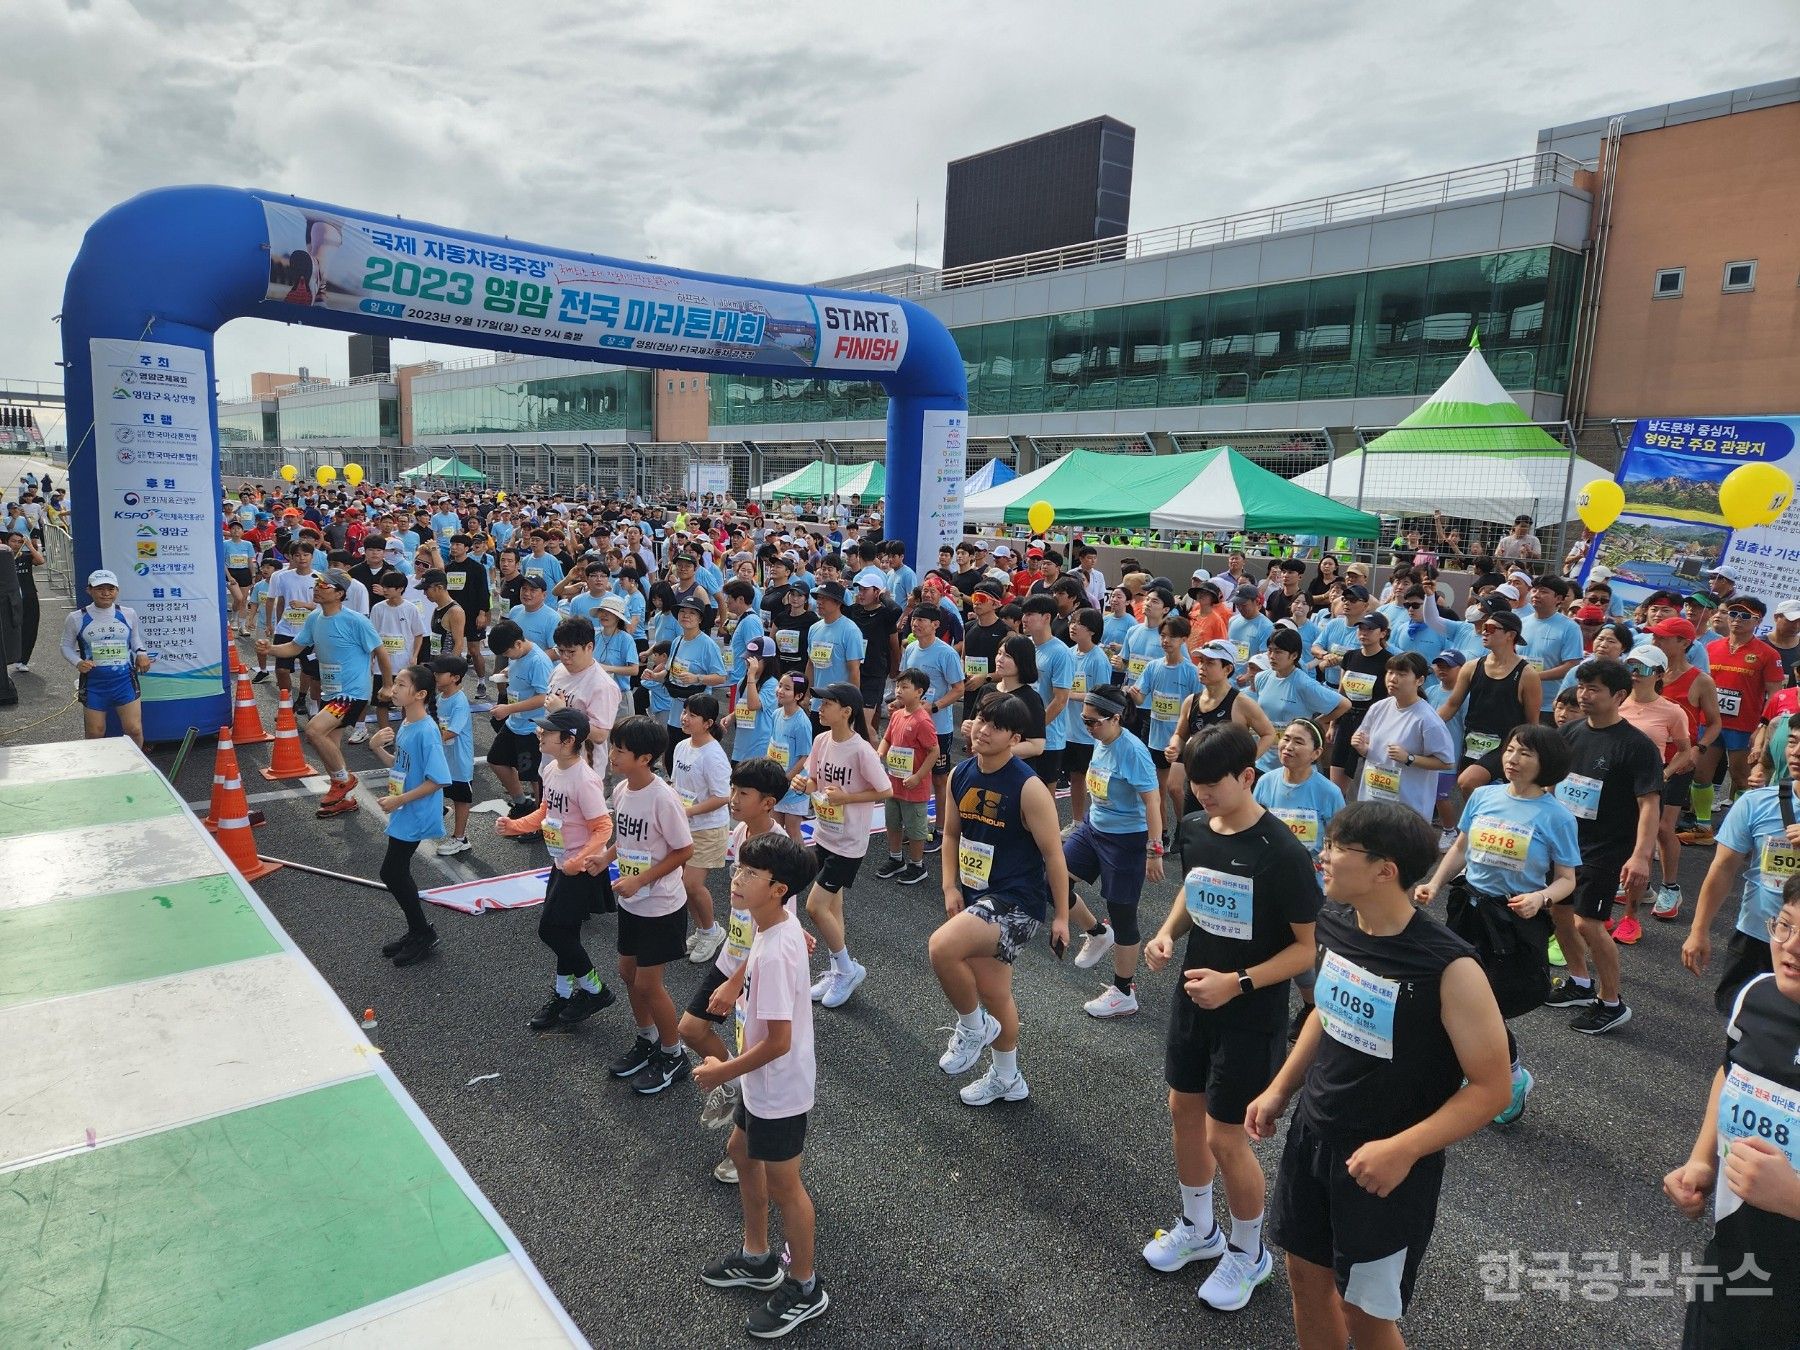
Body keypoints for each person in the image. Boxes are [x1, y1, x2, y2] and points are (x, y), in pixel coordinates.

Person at [1247, 802, 1510, 1348]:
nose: (1323, 857)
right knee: (1304, 1280)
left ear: (1384, 870)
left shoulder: (1450, 968)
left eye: (1338, 849)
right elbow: (1326, 1011)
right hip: (1313, 1138)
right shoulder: (1337, 923)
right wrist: (1280, 1090)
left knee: (1364, 1313)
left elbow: (1491, 1088)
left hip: (1385, 1169)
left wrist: (1403, 1149)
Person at [1142, 723, 1322, 1312]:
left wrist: (1237, 983)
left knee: (1226, 1137)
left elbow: (1305, 950)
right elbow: (1194, 892)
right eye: (1194, 785)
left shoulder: (1283, 854)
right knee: (1182, 1113)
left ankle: (1249, 1254)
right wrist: (1167, 934)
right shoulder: (1195, 828)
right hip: (1195, 997)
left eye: (1213, 786)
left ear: (1248, 777)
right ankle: (1199, 1229)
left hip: (1250, 1011)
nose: (1200, 797)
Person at [695, 831, 831, 1337]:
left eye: (751, 873)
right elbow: (771, 942)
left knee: (785, 1187)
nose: (737, 877)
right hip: (763, 1083)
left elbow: (777, 1042)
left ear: (779, 888)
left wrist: (718, 1074)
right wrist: (733, 981)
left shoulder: (777, 950)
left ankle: (804, 1286)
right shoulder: (776, 924)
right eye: (740, 867)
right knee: (742, 1151)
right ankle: (758, 1257)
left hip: (777, 1085)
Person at [1416, 723, 1580, 1126]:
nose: (1512, 759)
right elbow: (1461, 846)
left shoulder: (1556, 816)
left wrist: (1540, 898)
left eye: (1525, 753)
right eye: (1510, 749)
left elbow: (1567, 880)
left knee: (1487, 1006)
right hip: (1468, 909)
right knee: (1452, 998)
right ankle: (1468, 1074)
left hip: (1512, 919)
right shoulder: (1484, 796)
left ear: (1546, 763)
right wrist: (1434, 883)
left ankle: (1511, 1078)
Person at [1662, 878, 1800, 1346]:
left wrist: (1794, 1198)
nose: (1791, 947)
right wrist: (1703, 1159)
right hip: (1736, 1259)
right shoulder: (1758, 995)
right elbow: (1731, 1070)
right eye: (1785, 926)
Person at [931, 691, 1072, 1105]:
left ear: (1015, 737)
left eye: (995, 726)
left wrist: (1062, 916)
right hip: (977, 894)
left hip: (1017, 903)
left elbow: (1053, 856)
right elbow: (951, 833)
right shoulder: (961, 773)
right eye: (980, 720)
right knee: (995, 994)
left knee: (941, 947)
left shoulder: (1028, 788)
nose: (982, 730)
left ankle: (972, 1027)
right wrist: (950, 885)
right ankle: (1008, 1078)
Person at [683, 757, 792, 1186]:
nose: (733, 799)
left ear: (768, 802)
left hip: (758, 970)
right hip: (733, 953)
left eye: (742, 794)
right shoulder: (741, 833)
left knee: (762, 1060)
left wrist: (735, 980)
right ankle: (730, 1083)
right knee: (692, 1030)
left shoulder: (781, 854)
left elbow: (781, 928)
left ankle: (746, 1152)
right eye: (733, 790)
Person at [1544, 658, 1663, 1035]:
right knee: (1560, 913)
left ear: (1619, 695)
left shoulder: (1636, 745)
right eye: (1582, 687)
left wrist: (1641, 856)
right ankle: (1580, 983)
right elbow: (1552, 781)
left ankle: (1611, 1002)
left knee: (1589, 923)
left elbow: (1650, 804)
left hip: (1606, 847)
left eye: (1594, 689)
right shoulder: (1572, 732)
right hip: (1565, 841)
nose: (1584, 694)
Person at [497, 707, 618, 1030]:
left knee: (550, 930)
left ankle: (595, 990)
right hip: (559, 863)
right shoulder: (550, 770)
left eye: (548, 732)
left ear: (568, 740)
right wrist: (515, 825)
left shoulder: (585, 780)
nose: (540, 734)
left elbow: (603, 828)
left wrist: (581, 860)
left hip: (579, 870)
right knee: (565, 933)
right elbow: (545, 813)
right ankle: (564, 995)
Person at [599, 715, 697, 1096]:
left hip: (661, 905)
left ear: (646, 758)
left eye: (621, 751)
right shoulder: (623, 790)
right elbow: (621, 836)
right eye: (614, 747)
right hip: (633, 902)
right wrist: (605, 858)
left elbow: (684, 849)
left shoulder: (662, 797)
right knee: (627, 972)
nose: (612, 756)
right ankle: (647, 1039)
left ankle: (674, 1054)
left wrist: (642, 878)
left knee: (648, 982)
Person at [1063, 684, 1165, 1019]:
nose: (1088, 727)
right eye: (1084, 720)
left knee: (1123, 914)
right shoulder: (1102, 740)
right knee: (1050, 878)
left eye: (1093, 722)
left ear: (1115, 718)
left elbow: (1153, 802)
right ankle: (1096, 932)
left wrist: (1154, 850)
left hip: (1127, 840)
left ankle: (1123, 992)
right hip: (1094, 829)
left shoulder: (1133, 752)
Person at [1682, 731, 1800, 1015]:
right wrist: (1698, 931)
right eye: (1793, 741)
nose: (1796, 752)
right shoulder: (1755, 802)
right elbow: (1722, 869)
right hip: (1756, 938)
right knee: (1740, 1026)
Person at [258, 568, 393, 815]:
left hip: (351, 693)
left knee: (313, 730)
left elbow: (381, 652)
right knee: (329, 747)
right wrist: (271, 650)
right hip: (331, 692)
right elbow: (295, 646)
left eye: (324, 585)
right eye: (317, 584)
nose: (317, 588)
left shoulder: (356, 621)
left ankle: (344, 780)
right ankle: (344, 798)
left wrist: (386, 685)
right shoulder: (315, 618)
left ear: (340, 594)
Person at [791, 684, 890, 1009]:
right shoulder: (821, 741)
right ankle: (838, 970)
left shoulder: (861, 750)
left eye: (828, 703)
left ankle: (847, 969)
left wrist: (848, 798)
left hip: (849, 842)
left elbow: (885, 790)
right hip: (824, 834)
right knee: (833, 908)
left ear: (846, 711)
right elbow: (815, 782)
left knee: (815, 907)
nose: (820, 707)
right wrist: (805, 785)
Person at [1254, 718, 1345, 1038]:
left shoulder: (1328, 792)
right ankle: (1274, 1008)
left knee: (1304, 953)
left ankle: (1314, 1009)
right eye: (1286, 739)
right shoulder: (1266, 782)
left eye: (1298, 742)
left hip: (1310, 888)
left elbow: (1338, 841)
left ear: (1317, 752)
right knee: (1267, 947)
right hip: (1268, 882)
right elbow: (1257, 829)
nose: (1288, 746)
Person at [365, 665, 450, 967]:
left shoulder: (426, 731)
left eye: (401, 685)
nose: (394, 689)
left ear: (420, 694)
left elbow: (438, 779)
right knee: (394, 872)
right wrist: (377, 749)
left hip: (416, 810)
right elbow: (403, 767)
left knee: (392, 872)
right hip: (405, 808)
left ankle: (422, 933)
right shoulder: (406, 725)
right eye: (396, 684)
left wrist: (399, 799)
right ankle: (418, 931)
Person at [1349, 652, 1457, 824]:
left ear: (1419, 680)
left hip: (1407, 810)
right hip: (1372, 800)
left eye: (1401, 674)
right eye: (1390, 672)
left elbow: (1446, 762)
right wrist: (1362, 748)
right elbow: (1370, 745)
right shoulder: (1378, 708)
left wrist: (1409, 758)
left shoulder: (1427, 719)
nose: (1393, 678)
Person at [60, 569, 154, 747]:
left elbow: (135, 638)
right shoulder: (76, 618)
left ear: (117, 590)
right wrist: (78, 662)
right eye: (100, 589)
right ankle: (98, 771)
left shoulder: (128, 613)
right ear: (89, 590)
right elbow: (65, 646)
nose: (106, 593)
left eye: (111, 589)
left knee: (133, 729)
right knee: (95, 733)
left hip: (124, 680)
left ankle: (137, 769)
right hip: (94, 683)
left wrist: (141, 653)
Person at [899, 601, 966, 846]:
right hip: (909, 724)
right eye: (914, 619)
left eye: (922, 620)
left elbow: (958, 689)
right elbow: (903, 682)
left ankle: (941, 829)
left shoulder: (946, 653)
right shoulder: (910, 648)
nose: (915, 624)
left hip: (938, 727)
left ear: (935, 625)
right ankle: (915, 827)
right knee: (911, 775)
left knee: (939, 779)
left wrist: (934, 706)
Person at [674, 693, 734, 965]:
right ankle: (703, 929)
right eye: (685, 711)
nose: (685, 718)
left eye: (692, 715)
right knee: (685, 886)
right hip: (685, 827)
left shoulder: (713, 755)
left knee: (691, 884)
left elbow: (723, 797)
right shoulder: (681, 746)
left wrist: (687, 811)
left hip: (708, 829)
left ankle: (712, 931)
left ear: (708, 722)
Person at [874, 669, 938, 885]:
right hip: (893, 782)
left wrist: (919, 776)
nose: (898, 691)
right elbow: (887, 739)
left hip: (913, 786)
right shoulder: (897, 715)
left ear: (919, 692)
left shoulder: (923, 720)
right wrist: (880, 752)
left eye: (904, 687)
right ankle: (896, 858)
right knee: (892, 822)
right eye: (897, 686)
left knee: (915, 827)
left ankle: (917, 865)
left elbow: (934, 751)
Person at [484, 618, 554, 814]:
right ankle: (522, 803)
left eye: (507, 653)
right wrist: (508, 671)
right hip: (516, 723)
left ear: (518, 643)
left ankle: (541, 820)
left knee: (535, 777)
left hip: (533, 727)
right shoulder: (518, 654)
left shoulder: (538, 661)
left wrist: (508, 709)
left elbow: (544, 697)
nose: (507, 656)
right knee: (496, 759)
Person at [430, 655, 476, 853]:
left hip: (459, 761)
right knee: (435, 787)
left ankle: (460, 838)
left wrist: (427, 743)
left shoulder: (459, 702)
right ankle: (440, 810)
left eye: (440, 673)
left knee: (461, 799)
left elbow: (453, 731)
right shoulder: (441, 698)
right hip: (445, 758)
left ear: (455, 677)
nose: (435, 676)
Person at [769, 674, 817, 843]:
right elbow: (773, 744)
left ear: (798, 696)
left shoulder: (801, 722)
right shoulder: (776, 714)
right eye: (780, 686)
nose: (780, 691)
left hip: (794, 785)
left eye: (787, 688)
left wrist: (787, 778)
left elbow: (805, 756)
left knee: (792, 829)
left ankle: (801, 866)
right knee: (774, 827)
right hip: (777, 782)